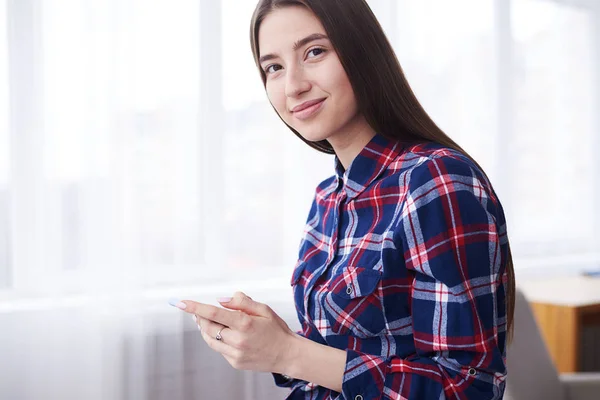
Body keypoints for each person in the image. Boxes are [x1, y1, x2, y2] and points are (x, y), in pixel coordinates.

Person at [172, 0, 515, 398]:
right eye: (274, 67)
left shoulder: (434, 180)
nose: (293, 85)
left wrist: (288, 353)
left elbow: (467, 387)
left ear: (361, 52)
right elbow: (345, 354)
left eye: (314, 52)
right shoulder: (327, 197)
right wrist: (273, 341)